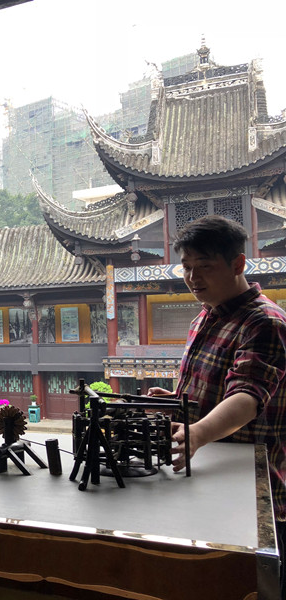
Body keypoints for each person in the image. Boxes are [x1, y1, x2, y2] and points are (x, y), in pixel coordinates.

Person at [148, 215, 286, 596]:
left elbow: (246, 398)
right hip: (209, 485)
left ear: (238, 264)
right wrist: (176, 403)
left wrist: (196, 433)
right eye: (186, 267)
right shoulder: (204, 317)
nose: (193, 278)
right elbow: (210, 394)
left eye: (205, 266)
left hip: (255, 499)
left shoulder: (265, 322)